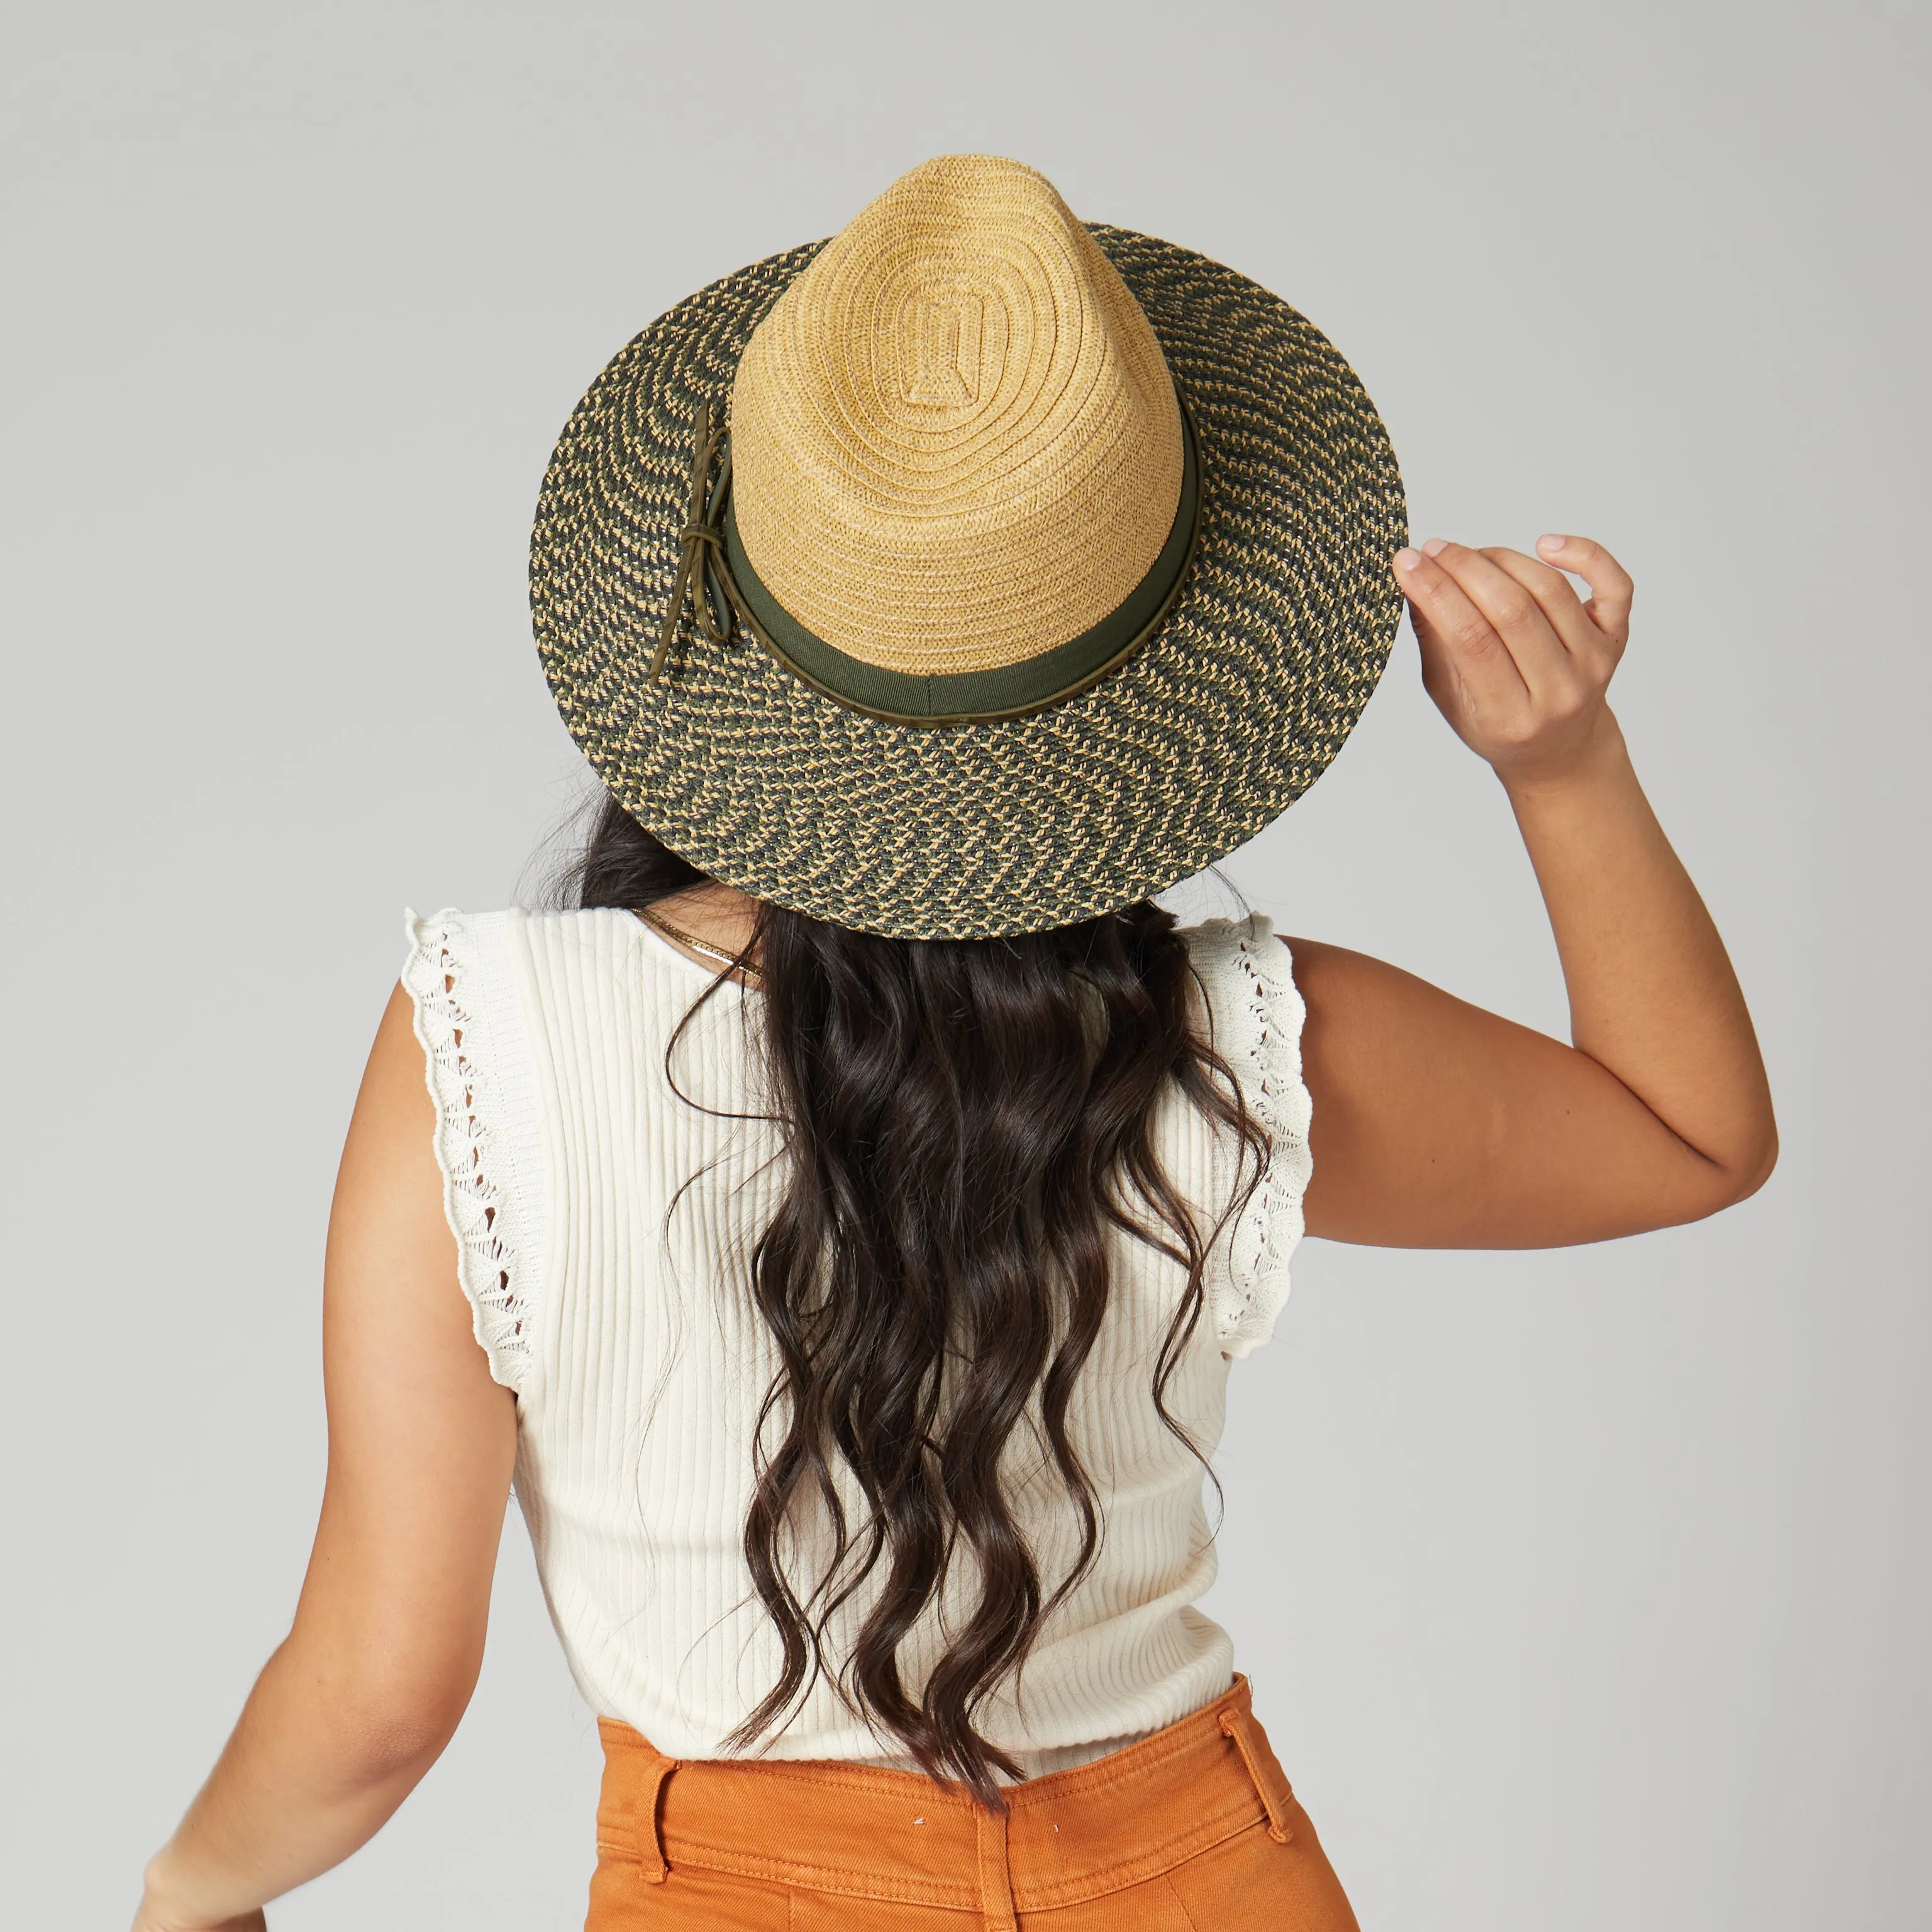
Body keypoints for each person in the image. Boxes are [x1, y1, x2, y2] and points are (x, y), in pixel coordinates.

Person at [133, 156, 1775, 1932]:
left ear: (726, 621)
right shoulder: (1228, 1044)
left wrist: (189, 1889)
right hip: (1210, 1878)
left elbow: (382, 1700)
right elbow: (1689, 1135)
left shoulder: (495, 1046)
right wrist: (1563, 766)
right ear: (1158, 671)